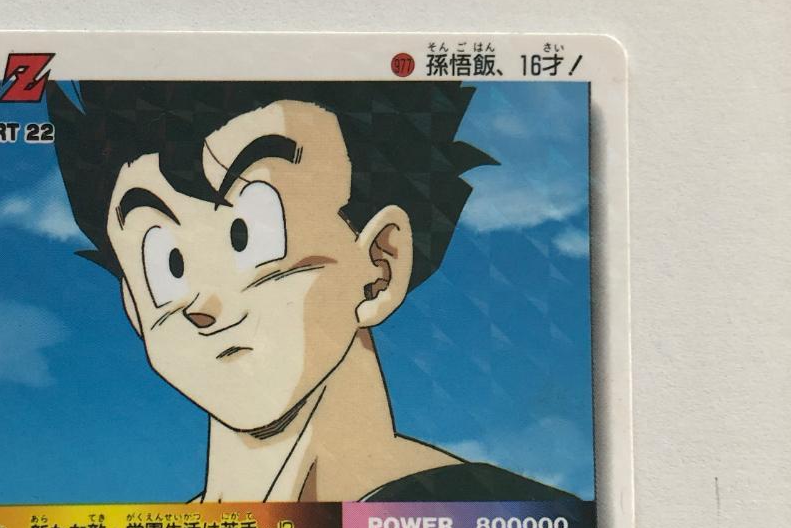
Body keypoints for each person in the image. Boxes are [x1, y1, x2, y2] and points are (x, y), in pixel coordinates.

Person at [48, 80, 575, 503]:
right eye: (169, 265)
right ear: (134, 309)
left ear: (380, 265)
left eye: (249, 237)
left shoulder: (507, 520)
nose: (205, 305)